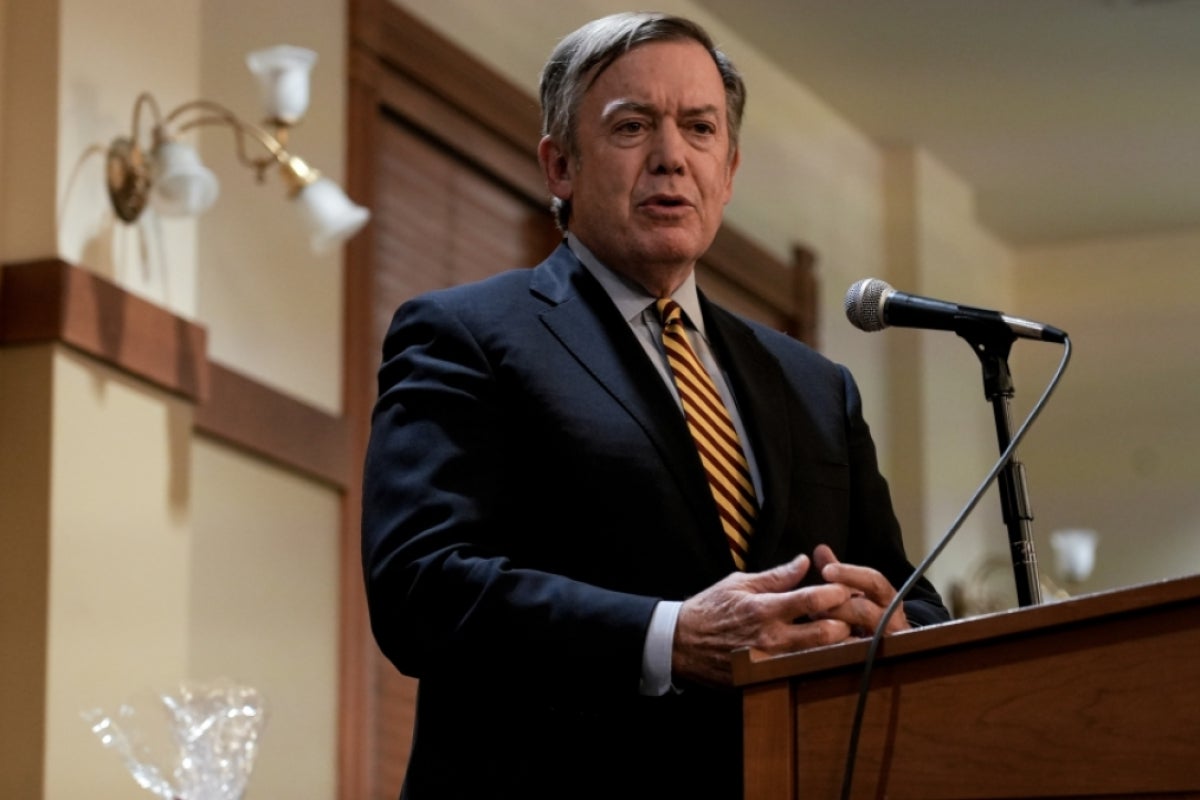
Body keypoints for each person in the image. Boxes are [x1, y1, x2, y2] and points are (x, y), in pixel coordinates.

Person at [361, 11, 949, 800]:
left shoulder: (815, 385)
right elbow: (419, 588)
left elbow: (909, 594)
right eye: (633, 126)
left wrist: (899, 624)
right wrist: (671, 638)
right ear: (560, 166)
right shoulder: (463, 334)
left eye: (699, 129)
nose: (672, 157)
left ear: (729, 170)